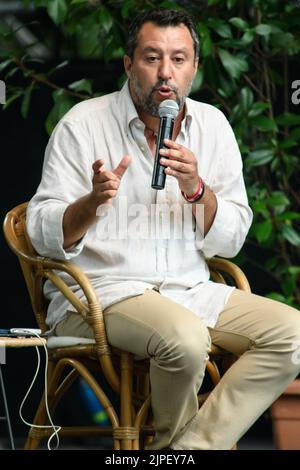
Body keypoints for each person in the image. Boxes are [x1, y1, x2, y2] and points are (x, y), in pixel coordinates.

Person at [27, 9, 300, 450]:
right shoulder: (82, 124)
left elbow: (231, 240)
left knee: (293, 336)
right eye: (152, 57)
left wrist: (197, 189)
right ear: (129, 63)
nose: (165, 73)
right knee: (184, 338)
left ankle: (185, 451)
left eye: (179, 59)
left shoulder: (213, 126)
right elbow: (40, 233)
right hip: (102, 293)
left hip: (190, 290)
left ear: (195, 67)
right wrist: (91, 203)